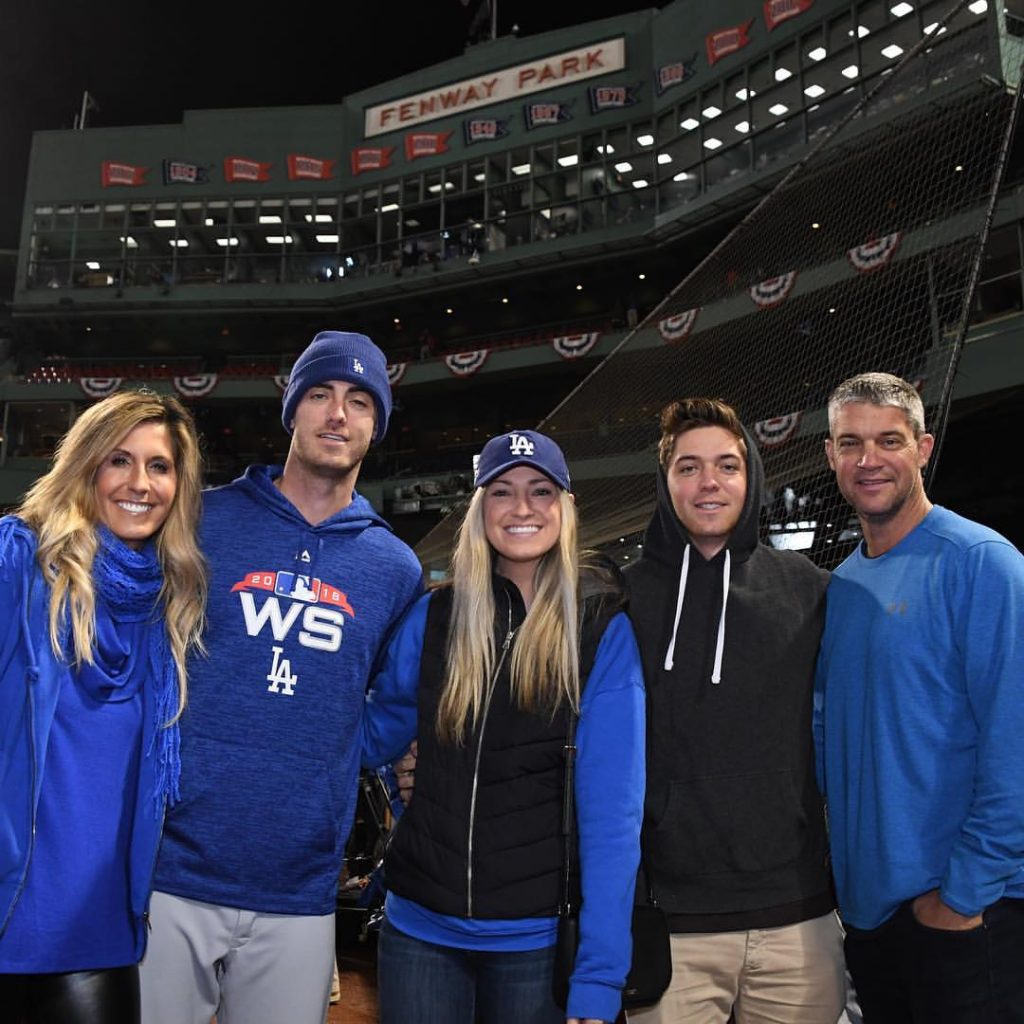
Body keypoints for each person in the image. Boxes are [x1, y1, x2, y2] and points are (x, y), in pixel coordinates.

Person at [138, 331, 424, 1024]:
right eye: (320, 394)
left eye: (359, 401)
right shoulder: (200, 519)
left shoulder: (395, 568)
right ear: (291, 410)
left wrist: (331, 755)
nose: (337, 414)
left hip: (299, 880)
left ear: (376, 425)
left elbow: (399, 700)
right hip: (173, 866)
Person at [362, 429, 646, 1024]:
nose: (521, 508)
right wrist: (397, 778)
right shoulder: (433, 615)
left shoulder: (600, 631)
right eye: (502, 491)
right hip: (419, 931)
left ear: (565, 508)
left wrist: (598, 972)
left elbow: (613, 814)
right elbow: (371, 737)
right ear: (478, 510)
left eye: (541, 491)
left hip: (534, 944)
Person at [624, 398, 846, 1024]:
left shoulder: (810, 589)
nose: (709, 483)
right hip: (671, 925)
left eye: (727, 465)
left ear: (751, 477)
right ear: (665, 484)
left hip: (797, 919)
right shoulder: (619, 599)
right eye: (689, 467)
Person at [814, 372, 1024, 1023]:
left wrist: (962, 896)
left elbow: (1015, 743)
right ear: (830, 456)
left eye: (889, 440)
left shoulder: (983, 563)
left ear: (924, 448)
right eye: (851, 443)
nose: (868, 460)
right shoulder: (841, 585)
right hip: (872, 924)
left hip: (965, 917)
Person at [0, 390, 206, 1024]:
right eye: (119, 460)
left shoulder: (168, 606)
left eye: (160, 466)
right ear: (86, 466)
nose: (139, 483)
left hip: (102, 931)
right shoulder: (18, 561)